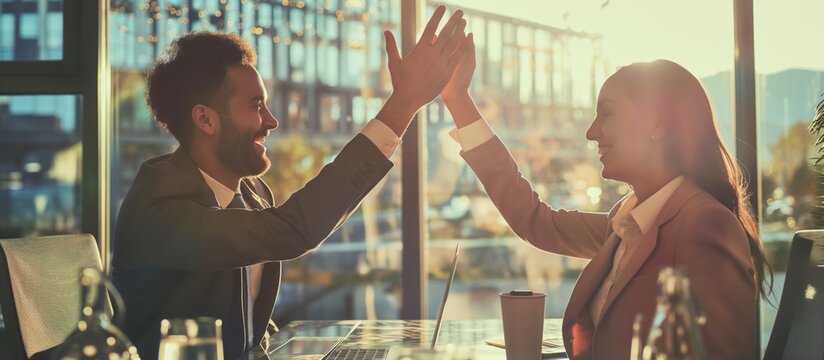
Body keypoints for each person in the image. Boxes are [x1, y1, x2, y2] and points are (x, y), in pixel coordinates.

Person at [111, 6, 470, 359]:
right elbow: (293, 230)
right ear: (205, 119)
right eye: (256, 106)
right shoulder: (157, 207)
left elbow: (248, 328)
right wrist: (403, 103)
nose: (272, 121)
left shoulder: (252, 193)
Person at [440, 32, 769, 359]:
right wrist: (458, 99)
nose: (591, 132)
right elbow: (536, 221)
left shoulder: (704, 224)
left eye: (606, 113)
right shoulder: (627, 222)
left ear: (656, 123)